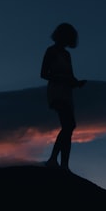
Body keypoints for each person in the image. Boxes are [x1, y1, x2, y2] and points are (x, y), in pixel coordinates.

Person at [40, 22, 86, 171]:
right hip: (57, 91)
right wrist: (61, 79)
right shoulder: (51, 51)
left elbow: (70, 76)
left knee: (69, 127)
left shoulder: (67, 55)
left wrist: (76, 83)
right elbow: (43, 74)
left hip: (67, 92)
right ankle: (55, 160)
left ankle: (63, 164)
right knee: (69, 125)